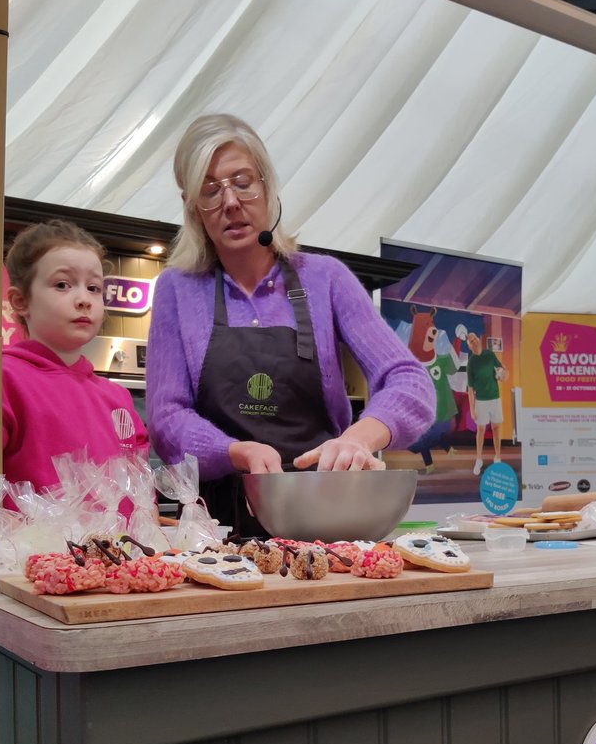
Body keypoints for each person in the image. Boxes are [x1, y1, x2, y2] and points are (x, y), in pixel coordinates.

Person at [146, 113, 435, 533]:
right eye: (210, 191)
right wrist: (236, 451)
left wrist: (359, 438)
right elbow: (166, 419)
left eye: (243, 182)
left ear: (267, 186)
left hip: (327, 518)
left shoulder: (326, 278)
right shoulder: (177, 289)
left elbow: (410, 381)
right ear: (194, 208)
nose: (231, 202)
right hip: (218, 531)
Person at [0, 219, 148, 520]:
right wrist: (2, 526)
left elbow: (141, 484)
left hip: (120, 549)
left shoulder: (118, 397)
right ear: (21, 301)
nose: (83, 300)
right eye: (62, 285)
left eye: (94, 288)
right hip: (26, 550)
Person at [466, 332, 508, 476]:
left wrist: (503, 374)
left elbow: (503, 370)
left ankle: (497, 457)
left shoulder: (490, 355)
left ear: (479, 340)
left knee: (496, 428)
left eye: (475, 339)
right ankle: (479, 459)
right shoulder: (471, 363)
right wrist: (472, 410)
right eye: (471, 342)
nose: (474, 342)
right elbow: (470, 390)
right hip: (481, 401)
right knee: (481, 430)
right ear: (469, 346)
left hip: (495, 398)